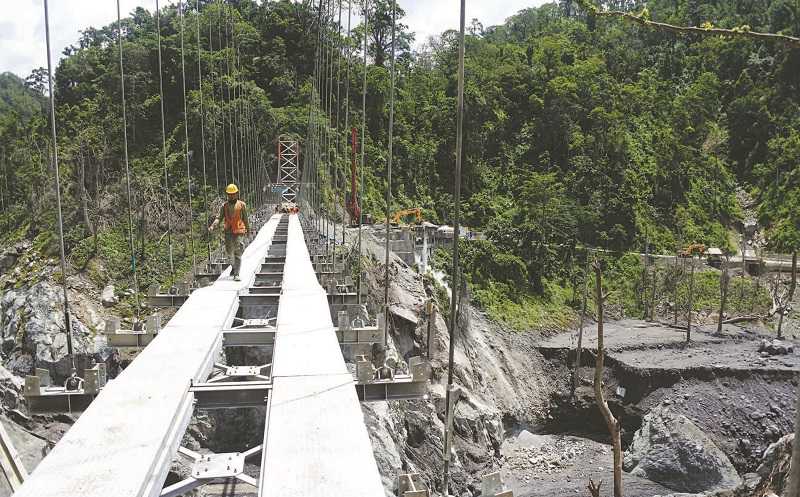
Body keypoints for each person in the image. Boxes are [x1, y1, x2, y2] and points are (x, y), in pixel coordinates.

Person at [208, 184, 249, 281]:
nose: (231, 196)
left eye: (233, 194)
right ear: (227, 194)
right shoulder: (224, 206)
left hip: (239, 230)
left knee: (237, 252)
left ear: (237, 194)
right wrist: (213, 225)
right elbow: (219, 218)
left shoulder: (242, 205)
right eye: (229, 194)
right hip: (228, 231)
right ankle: (234, 267)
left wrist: (248, 230)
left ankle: (237, 274)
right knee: (229, 253)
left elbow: (246, 219)